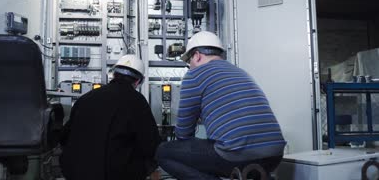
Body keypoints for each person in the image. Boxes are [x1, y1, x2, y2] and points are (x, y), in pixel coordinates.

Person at [156, 31, 286, 180]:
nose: (190, 66)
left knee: (163, 152)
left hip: (236, 156)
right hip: (274, 156)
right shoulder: (240, 72)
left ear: (197, 56)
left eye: (189, 62)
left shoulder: (194, 75)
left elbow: (183, 134)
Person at [59, 54, 161, 180]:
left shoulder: (85, 98)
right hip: (114, 173)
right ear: (138, 81)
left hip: (75, 172)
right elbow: (151, 144)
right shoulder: (137, 101)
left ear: (113, 74)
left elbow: (64, 137)